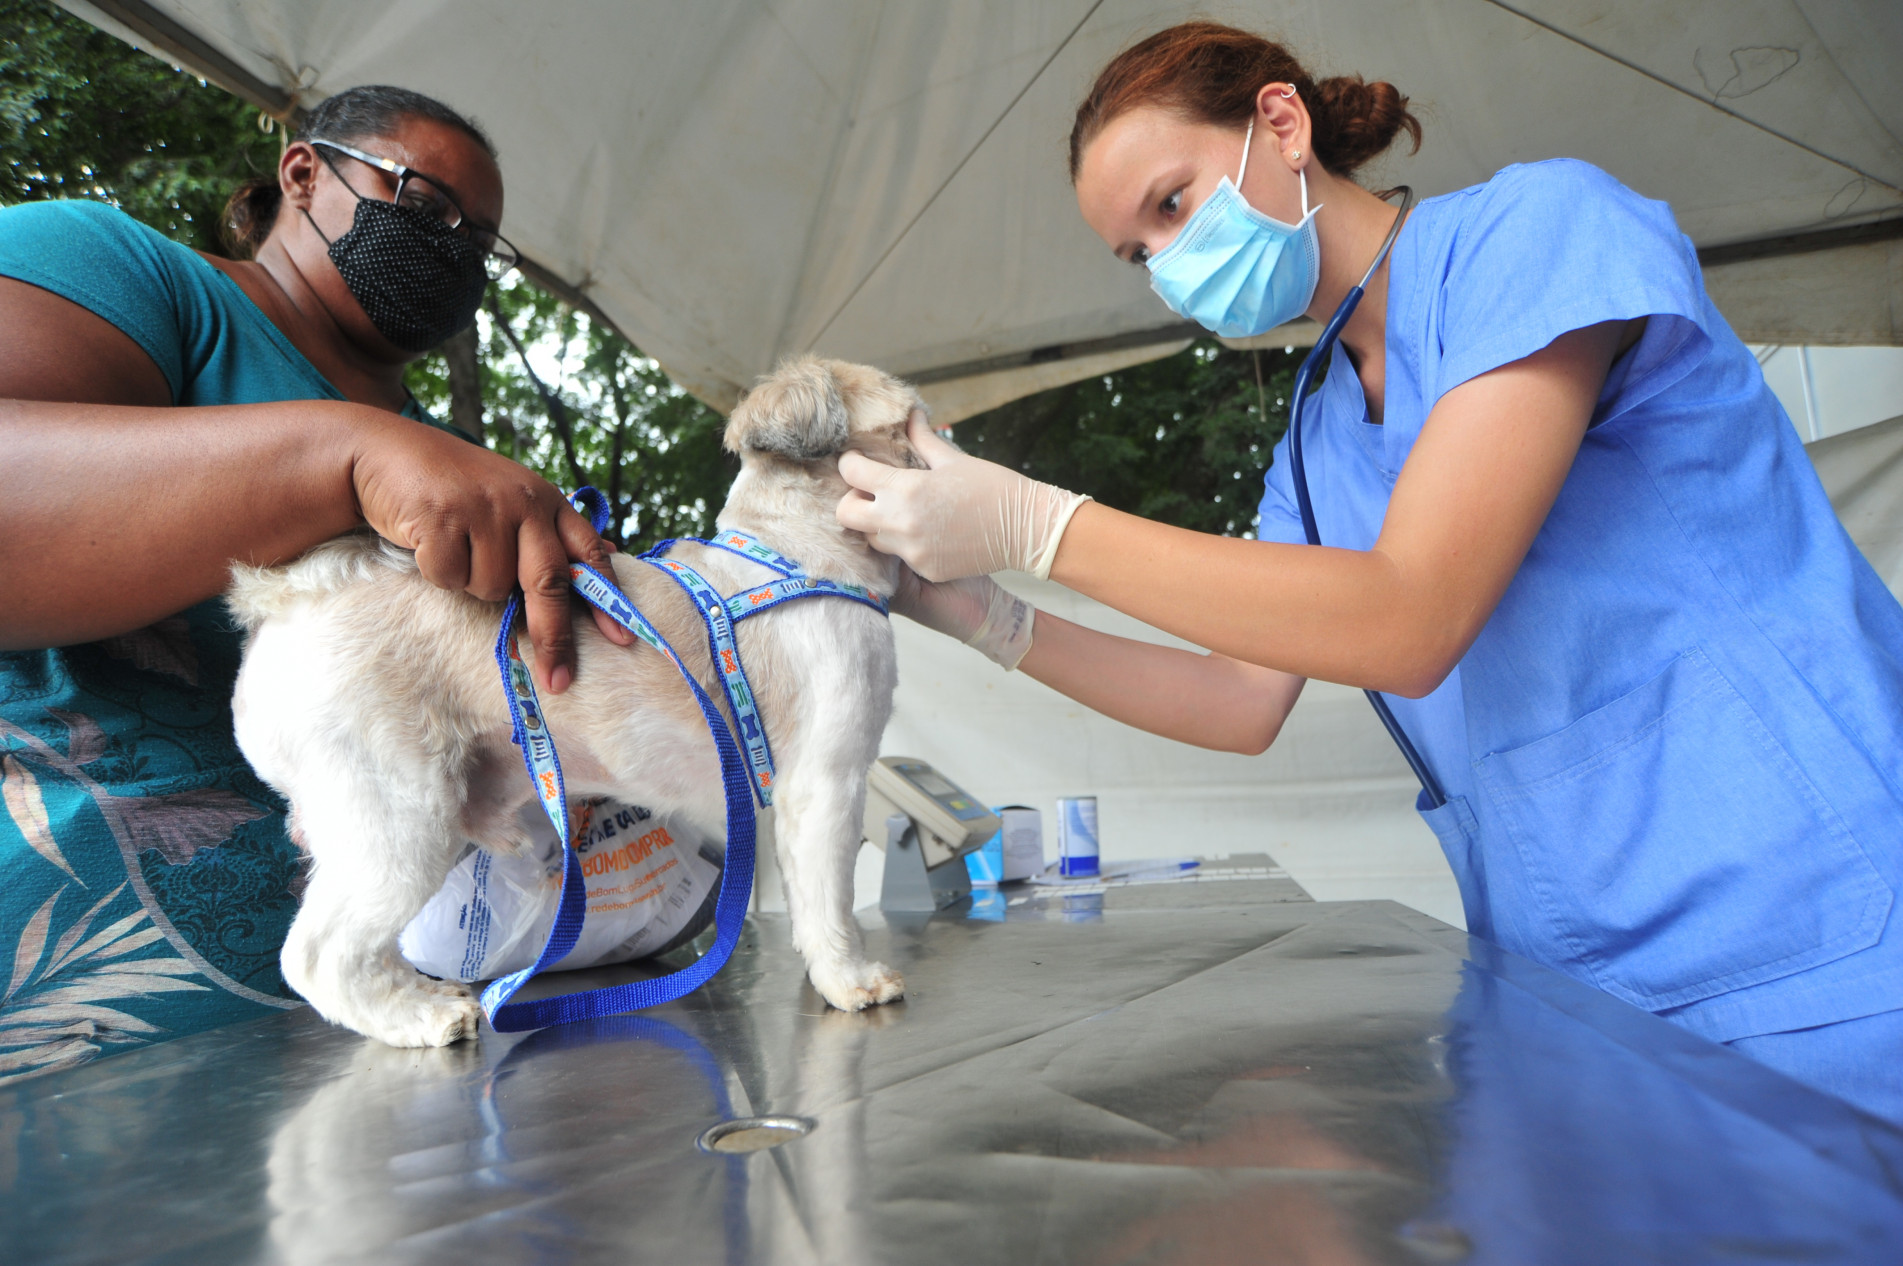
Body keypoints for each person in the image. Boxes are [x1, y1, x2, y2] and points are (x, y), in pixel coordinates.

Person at [836, 22, 1903, 1123]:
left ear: (1281, 124)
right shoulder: (1316, 442)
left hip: (1810, 921)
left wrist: (1031, 521)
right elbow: (1237, 697)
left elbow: (1410, 615)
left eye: (1171, 204)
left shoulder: (1540, 232)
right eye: (1138, 254)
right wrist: (976, 614)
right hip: (1576, 977)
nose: (1169, 266)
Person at [0, 85, 629, 1079]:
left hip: (426, 1026)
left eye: (480, 243)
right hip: (89, 1033)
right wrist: (343, 457)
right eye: (424, 205)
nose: (452, 249)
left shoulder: (454, 469)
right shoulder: (121, 269)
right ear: (303, 172)